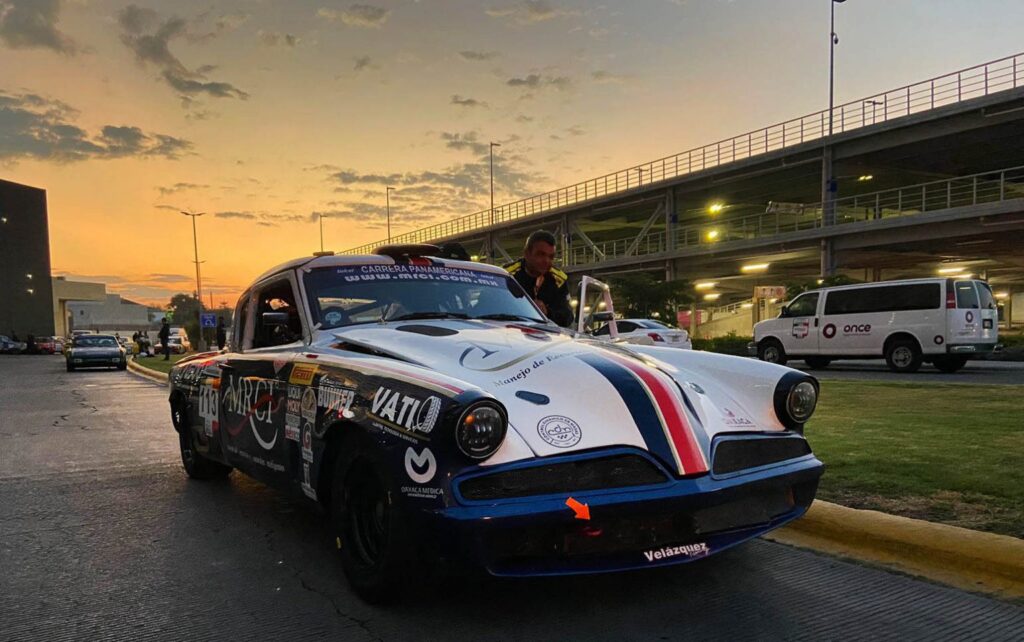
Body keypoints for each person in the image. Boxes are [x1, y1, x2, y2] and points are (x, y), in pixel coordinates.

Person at [504, 230, 573, 327]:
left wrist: (547, 312)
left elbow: (568, 317)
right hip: (509, 331)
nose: (546, 261)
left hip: (546, 336)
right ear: (526, 254)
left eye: (551, 257)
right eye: (541, 254)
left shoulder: (559, 279)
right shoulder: (507, 275)